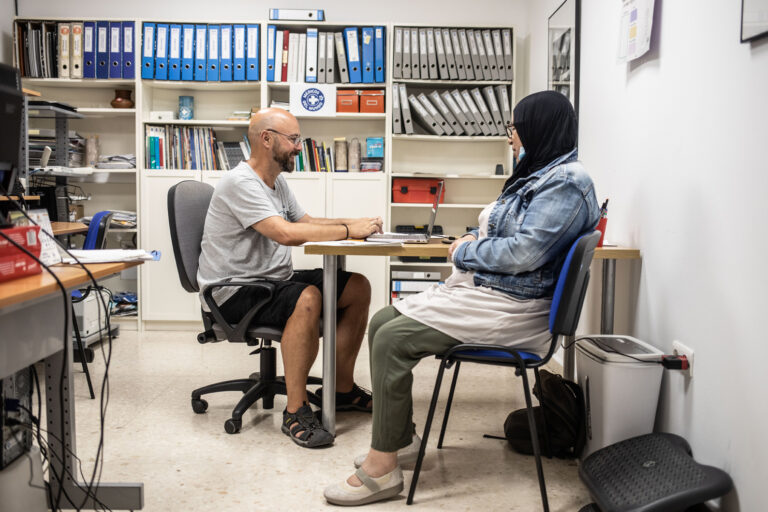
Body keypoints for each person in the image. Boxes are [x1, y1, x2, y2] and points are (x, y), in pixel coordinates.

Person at [323, 91, 601, 505]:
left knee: (391, 338)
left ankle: (383, 469)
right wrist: (474, 236)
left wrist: (464, 250)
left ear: (537, 129)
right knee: (383, 320)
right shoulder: (540, 172)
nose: (511, 136)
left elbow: (524, 253)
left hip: (515, 308)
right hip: (496, 294)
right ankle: (398, 439)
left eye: (515, 127)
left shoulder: (565, 182)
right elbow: (506, 231)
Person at [197, 108, 384, 449]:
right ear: (267, 139)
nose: (300, 146)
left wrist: (355, 223)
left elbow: (306, 220)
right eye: (294, 139)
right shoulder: (241, 182)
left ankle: (342, 390)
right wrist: (347, 230)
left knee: (356, 287)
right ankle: (296, 411)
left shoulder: (276, 182)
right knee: (308, 296)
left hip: (271, 280)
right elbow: (284, 233)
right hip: (235, 291)